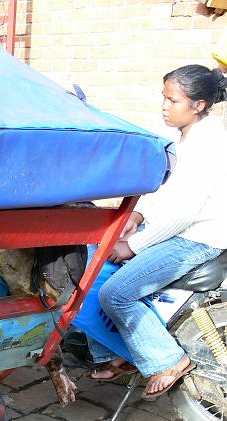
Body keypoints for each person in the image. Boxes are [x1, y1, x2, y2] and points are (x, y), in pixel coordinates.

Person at [93, 65, 227, 398]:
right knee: (97, 264)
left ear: (197, 105)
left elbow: (183, 212)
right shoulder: (189, 135)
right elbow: (168, 193)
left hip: (198, 239)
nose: (165, 107)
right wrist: (137, 214)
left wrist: (134, 245)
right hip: (183, 231)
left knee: (115, 294)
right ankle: (124, 351)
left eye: (173, 100)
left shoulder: (208, 141)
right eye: (164, 98)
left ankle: (169, 358)